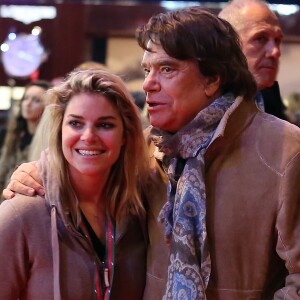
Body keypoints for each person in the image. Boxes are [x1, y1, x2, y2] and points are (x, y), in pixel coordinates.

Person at [3, 6, 300, 300]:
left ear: (212, 79)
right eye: (147, 70)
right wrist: (36, 174)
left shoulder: (285, 151)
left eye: (167, 69)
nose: (148, 83)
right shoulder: (145, 150)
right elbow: (82, 171)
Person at [0, 69, 154, 299]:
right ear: (60, 131)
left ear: (125, 135)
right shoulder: (20, 214)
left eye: (105, 125)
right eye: (76, 123)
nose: (88, 136)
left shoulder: (140, 210)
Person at [218, 0, 289, 121]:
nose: (276, 52)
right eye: (261, 38)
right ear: (227, 45)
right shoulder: (201, 104)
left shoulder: (270, 94)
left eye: (277, 40)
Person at [0, 80, 51, 197]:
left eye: (36, 100)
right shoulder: (10, 135)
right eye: (26, 98)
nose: (28, 104)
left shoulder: (47, 141)